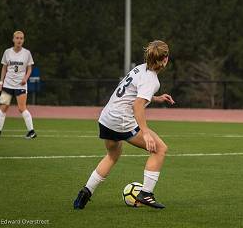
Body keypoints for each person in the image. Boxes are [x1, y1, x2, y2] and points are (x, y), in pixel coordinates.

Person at [73, 40, 174, 210]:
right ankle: (146, 194)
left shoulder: (139, 68)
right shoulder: (152, 80)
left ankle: (85, 192)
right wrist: (145, 132)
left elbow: (134, 94)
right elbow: (137, 105)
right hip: (122, 120)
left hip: (106, 118)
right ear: (165, 59)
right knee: (160, 149)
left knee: (113, 155)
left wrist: (157, 98)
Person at [0, 31, 36, 139]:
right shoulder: (7, 52)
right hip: (7, 84)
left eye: (21, 38)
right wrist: (1, 82)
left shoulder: (27, 53)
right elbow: (4, 68)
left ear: (23, 40)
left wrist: (25, 78)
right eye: (17, 38)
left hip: (20, 85)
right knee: (4, 107)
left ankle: (31, 132)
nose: (19, 40)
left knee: (21, 108)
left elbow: (29, 68)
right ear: (13, 39)